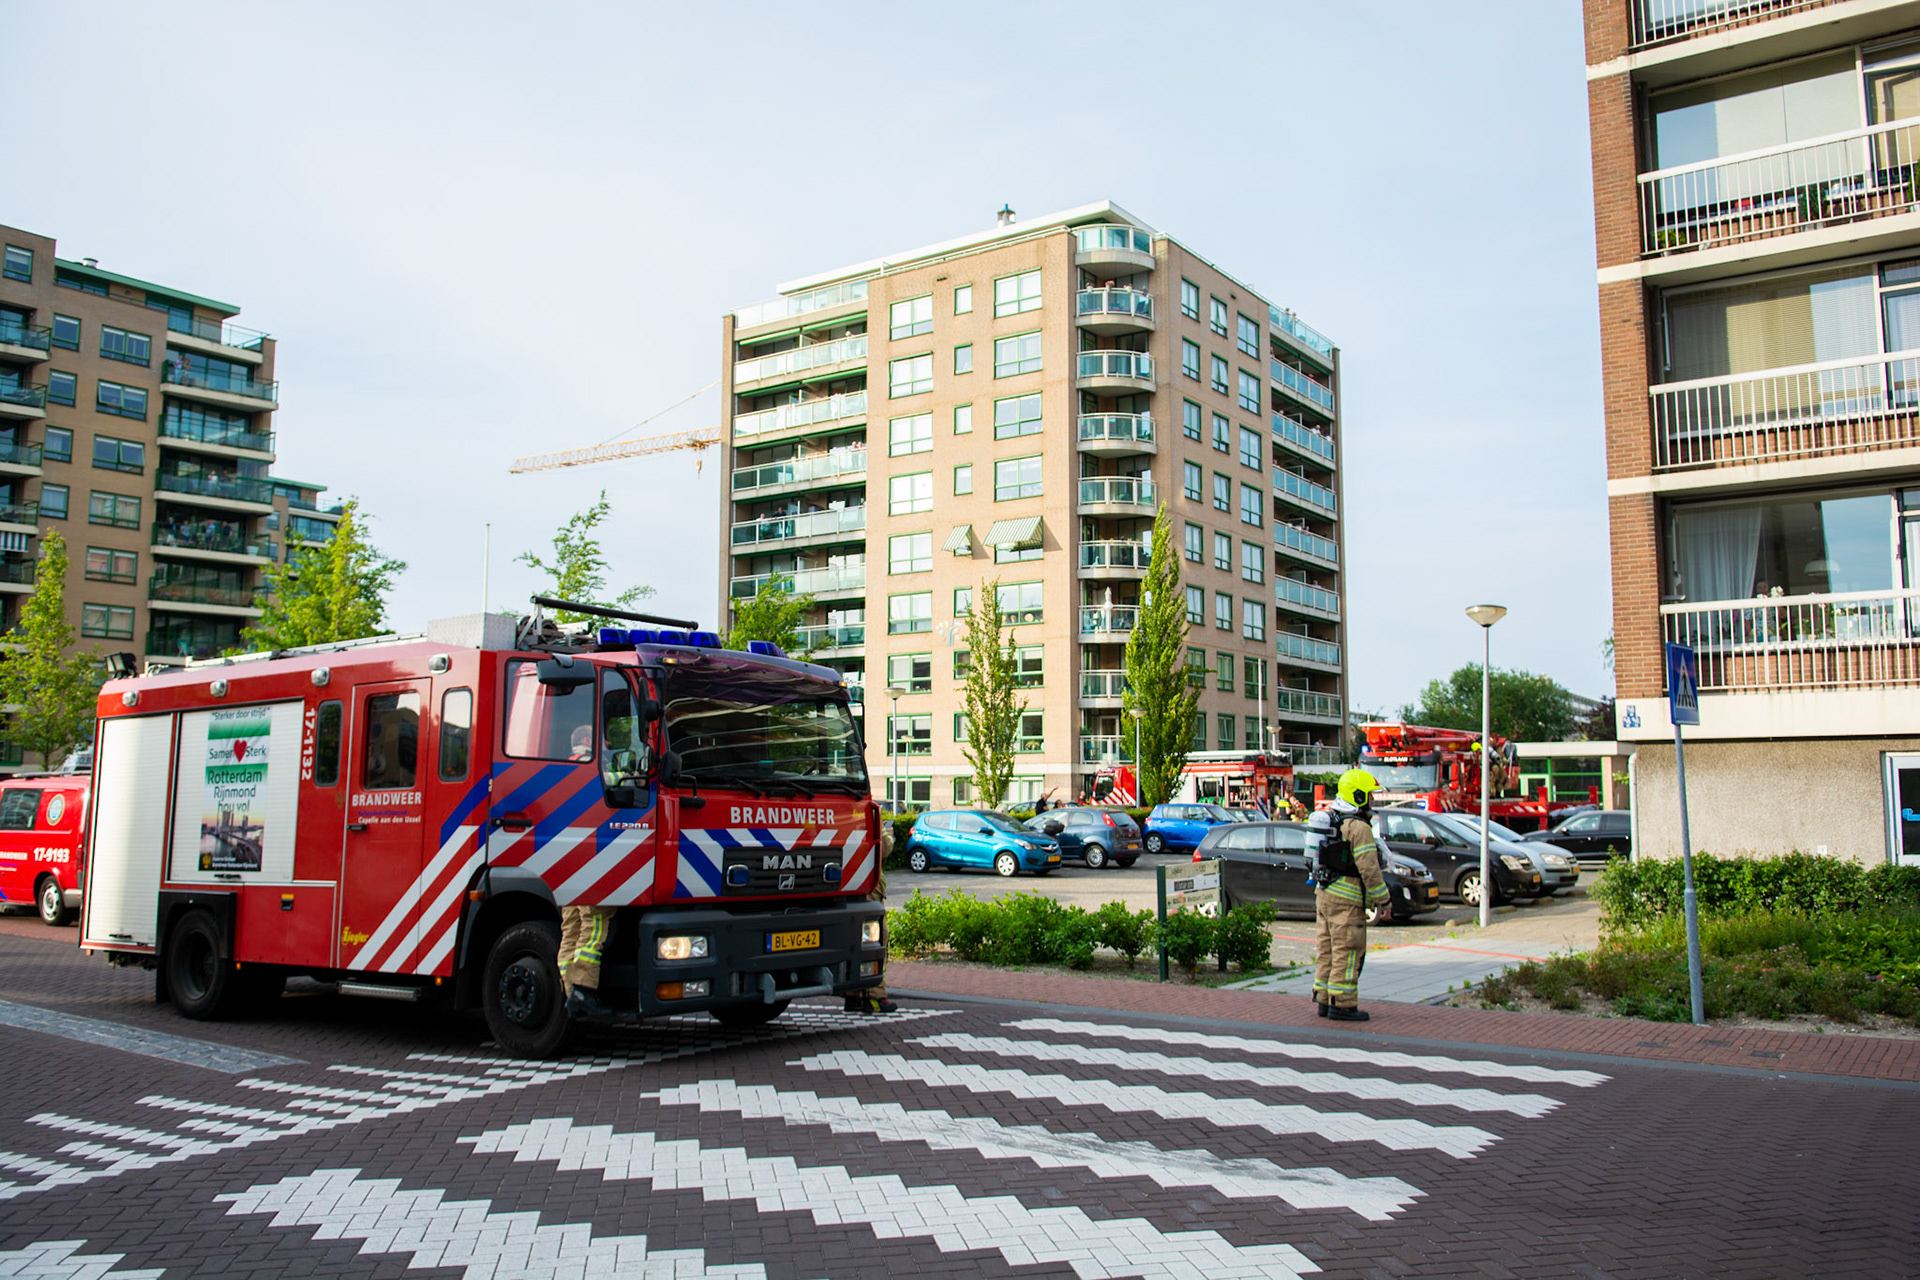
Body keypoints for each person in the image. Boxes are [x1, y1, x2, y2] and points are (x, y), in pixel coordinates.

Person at [1310, 768, 1389, 1022]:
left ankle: (1324, 999)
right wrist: (1383, 899)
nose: (1372, 801)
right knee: (1347, 949)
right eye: (1370, 796)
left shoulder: (1333, 820)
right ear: (1358, 796)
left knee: (1327, 949)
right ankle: (1343, 1004)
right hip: (1346, 900)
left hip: (1324, 894)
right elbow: (1369, 868)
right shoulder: (1359, 827)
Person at [558, 722, 615, 1017]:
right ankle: (582, 989)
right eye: (602, 741)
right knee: (594, 925)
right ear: (587, 740)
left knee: (571, 927)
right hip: (588, 861)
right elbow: (619, 783)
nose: (607, 745)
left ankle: (569, 989)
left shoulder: (562, 768)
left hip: (567, 862)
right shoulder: (591, 767)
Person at [846, 816, 898, 1014]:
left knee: (855, 941)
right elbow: (883, 848)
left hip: (852, 887)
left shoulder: (849, 818)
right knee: (876, 941)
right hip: (870, 889)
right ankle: (874, 996)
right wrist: (889, 835)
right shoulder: (870, 817)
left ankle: (853, 996)